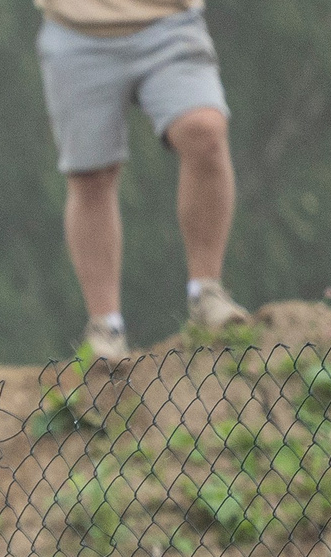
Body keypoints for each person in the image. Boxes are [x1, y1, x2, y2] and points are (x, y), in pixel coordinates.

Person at [36, 0, 248, 360]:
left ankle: (207, 293)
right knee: (90, 177)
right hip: (76, 29)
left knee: (205, 130)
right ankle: (106, 326)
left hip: (171, 23)